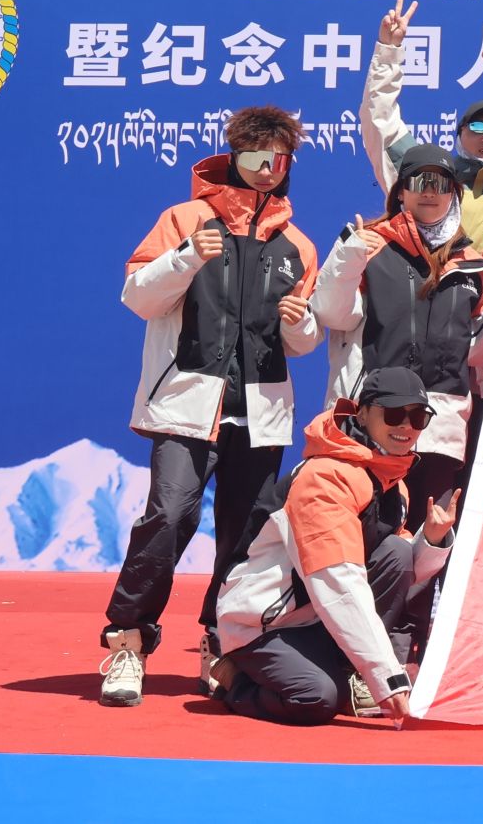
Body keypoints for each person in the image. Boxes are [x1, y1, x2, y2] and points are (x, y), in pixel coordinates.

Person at [101, 106, 322, 708]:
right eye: (256, 156)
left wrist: (300, 325)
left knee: (245, 537)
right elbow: (137, 297)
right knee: (169, 517)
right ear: (234, 156)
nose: (267, 168)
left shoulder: (298, 244)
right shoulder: (184, 219)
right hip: (186, 406)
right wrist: (186, 257)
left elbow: (303, 342)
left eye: (279, 159)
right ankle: (127, 642)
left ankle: (218, 642)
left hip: (261, 414)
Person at [210, 367, 457, 726]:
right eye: (394, 414)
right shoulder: (324, 478)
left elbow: (400, 570)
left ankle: (345, 674)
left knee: (398, 551)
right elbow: (338, 581)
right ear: (362, 414)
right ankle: (234, 678)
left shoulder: (393, 484)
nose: (406, 426)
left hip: (316, 615)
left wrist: (432, 540)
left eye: (418, 417)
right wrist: (386, 675)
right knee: (316, 698)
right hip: (263, 625)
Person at [311, 143, 483, 530]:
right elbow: (330, 312)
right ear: (401, 192)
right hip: (373, 419)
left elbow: (481, 352)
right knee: (364, 534)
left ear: (454, 194)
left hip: (440, 428)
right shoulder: (368, 244)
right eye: (419, 181)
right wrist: (349, 258)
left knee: (428, 536)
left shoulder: (475, 267)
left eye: (440, 184)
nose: (429, 192)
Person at [359, 0, 483, 246]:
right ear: (459, 135)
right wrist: (389, 50)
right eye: (477, 127)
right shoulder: (425, 177)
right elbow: (380, 119)